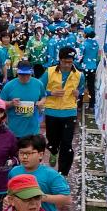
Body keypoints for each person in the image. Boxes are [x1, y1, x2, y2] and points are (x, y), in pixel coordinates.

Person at [6, 134, 71, 211]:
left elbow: (66, 199)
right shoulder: (14, 172)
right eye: (21, 153)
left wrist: (40, 197)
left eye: (29, 153)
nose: (24, 157)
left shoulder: (51, 175)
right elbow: (10, 192)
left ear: (40, 155)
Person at [41, 46, 83, 176]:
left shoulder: (79, 74)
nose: (67, 65)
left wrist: (78, 93)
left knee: (67, 144)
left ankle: (63, 173)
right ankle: (53, 150)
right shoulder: (49, 72)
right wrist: (50, 92)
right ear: (59, 60)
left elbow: (81, 88)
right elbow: (39, 87)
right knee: (52, 140)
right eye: (65, 62)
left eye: (70, 62)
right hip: (51, 111)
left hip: (69, 111)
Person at [0, 62, 45, 139]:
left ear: (31, 72)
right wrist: (11, 103)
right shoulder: (9, 86)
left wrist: (41, 103)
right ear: (17, 72)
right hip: (14, 130)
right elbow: (0, 103)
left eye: (27, 74)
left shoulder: (38, 84)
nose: (25, 77)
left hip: (33, 130)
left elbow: (44, 97)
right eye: (22, 74)